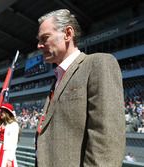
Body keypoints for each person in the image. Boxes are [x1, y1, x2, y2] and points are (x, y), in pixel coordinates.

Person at [35, 9, 125, 167]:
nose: (39, 45)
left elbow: (106, 140)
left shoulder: (99, 63)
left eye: (45, 38)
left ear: (68, 34)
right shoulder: (56, 79)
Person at [0, 103, 19, 167]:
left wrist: (10, 159)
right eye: (1, 111)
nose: (1, 113)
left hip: (6, 152)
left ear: (8, 112)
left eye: (3, 111)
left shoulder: (14, 125)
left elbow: (13, 143)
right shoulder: (2, 123)